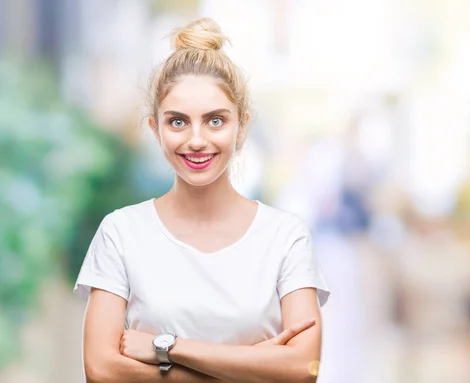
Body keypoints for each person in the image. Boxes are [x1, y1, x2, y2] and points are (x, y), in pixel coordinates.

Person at [73, 18, 330, 383]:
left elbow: (305, 368)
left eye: (215, 121)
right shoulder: (121, 232)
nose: (196, 140)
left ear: (242, 126)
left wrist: (167, 347)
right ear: (155, 130)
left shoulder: (286, 236)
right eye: (178, 122)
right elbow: (101, 370)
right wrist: (249, 368)